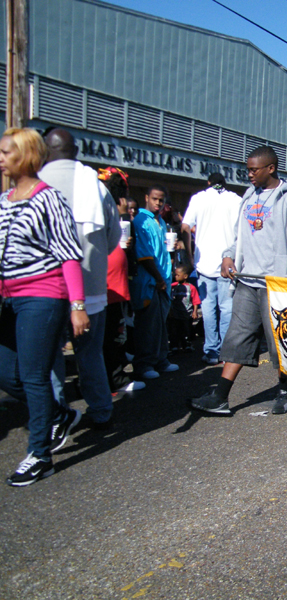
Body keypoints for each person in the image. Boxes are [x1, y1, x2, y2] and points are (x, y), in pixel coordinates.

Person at [190, 146, 287, 416]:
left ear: (270, 168)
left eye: (253, 169)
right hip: (248, 280)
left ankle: (285, 390)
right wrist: (228, 256)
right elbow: (240, 237)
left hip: (277, 284)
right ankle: (220, 396)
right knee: (237, 336)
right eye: (247, 169)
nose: (249, 174)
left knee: (280, 341)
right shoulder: (249, 197)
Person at [0, 127, 89, 486]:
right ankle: (57, 414)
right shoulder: (5, 199)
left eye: (6, 152)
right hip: (10, 298)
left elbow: (69, 255)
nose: (1, 158)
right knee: (8, 373)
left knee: (35, 376)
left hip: (43, 295)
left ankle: (40, 455)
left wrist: (77, 305)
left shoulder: (48, 198)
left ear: (25, 156)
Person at [39, 128, 122, 432]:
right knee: (90, 353)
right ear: (75, 151)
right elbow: (113, 237)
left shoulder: (34, 184)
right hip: (91, 287)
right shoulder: (95, 186)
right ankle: (101, 409)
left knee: (51, 358)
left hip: (45, 287)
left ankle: (56, 416)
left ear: (45, 151)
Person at [181, 173, 242, 366]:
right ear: (225, 183)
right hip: (228, 262)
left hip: (203, 263)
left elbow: (185, 227)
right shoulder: (236, 200)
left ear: (209, 183)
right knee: (227, 309)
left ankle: (211, 351)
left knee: (208, 309)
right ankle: (226, 352)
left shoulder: (199, 198)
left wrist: (190, 257)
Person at [97, 166, 142, 393]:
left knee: (111, 330)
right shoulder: (108, 206)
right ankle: (114, 378)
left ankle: (111, 376)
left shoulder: (102, 203)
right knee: (112, 331)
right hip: (108, 280)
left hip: (111, 278)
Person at [130, 185, 178, 380]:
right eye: (155, 199)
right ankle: (144, 364)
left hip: (163, 280)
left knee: (160, 323)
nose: (158, 203)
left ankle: (160, 359)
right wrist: (158, 278)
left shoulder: (160, 221)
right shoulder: (141, 220)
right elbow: (145, 255)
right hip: (150, 281)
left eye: (161, 200)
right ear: (146, 198)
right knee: (148, 325)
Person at [168, 263, 201, 352]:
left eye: (178, 275)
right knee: (174, 329)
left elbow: (195, 300)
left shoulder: (191, 287)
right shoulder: (173, 286)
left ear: (185, 276)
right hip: (175, 313)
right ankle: (174, 345)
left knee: (187, 329)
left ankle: (187, 344)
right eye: (175, 275)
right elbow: (170, 299)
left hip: (187, 313)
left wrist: (195, 311)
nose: (176, 276)